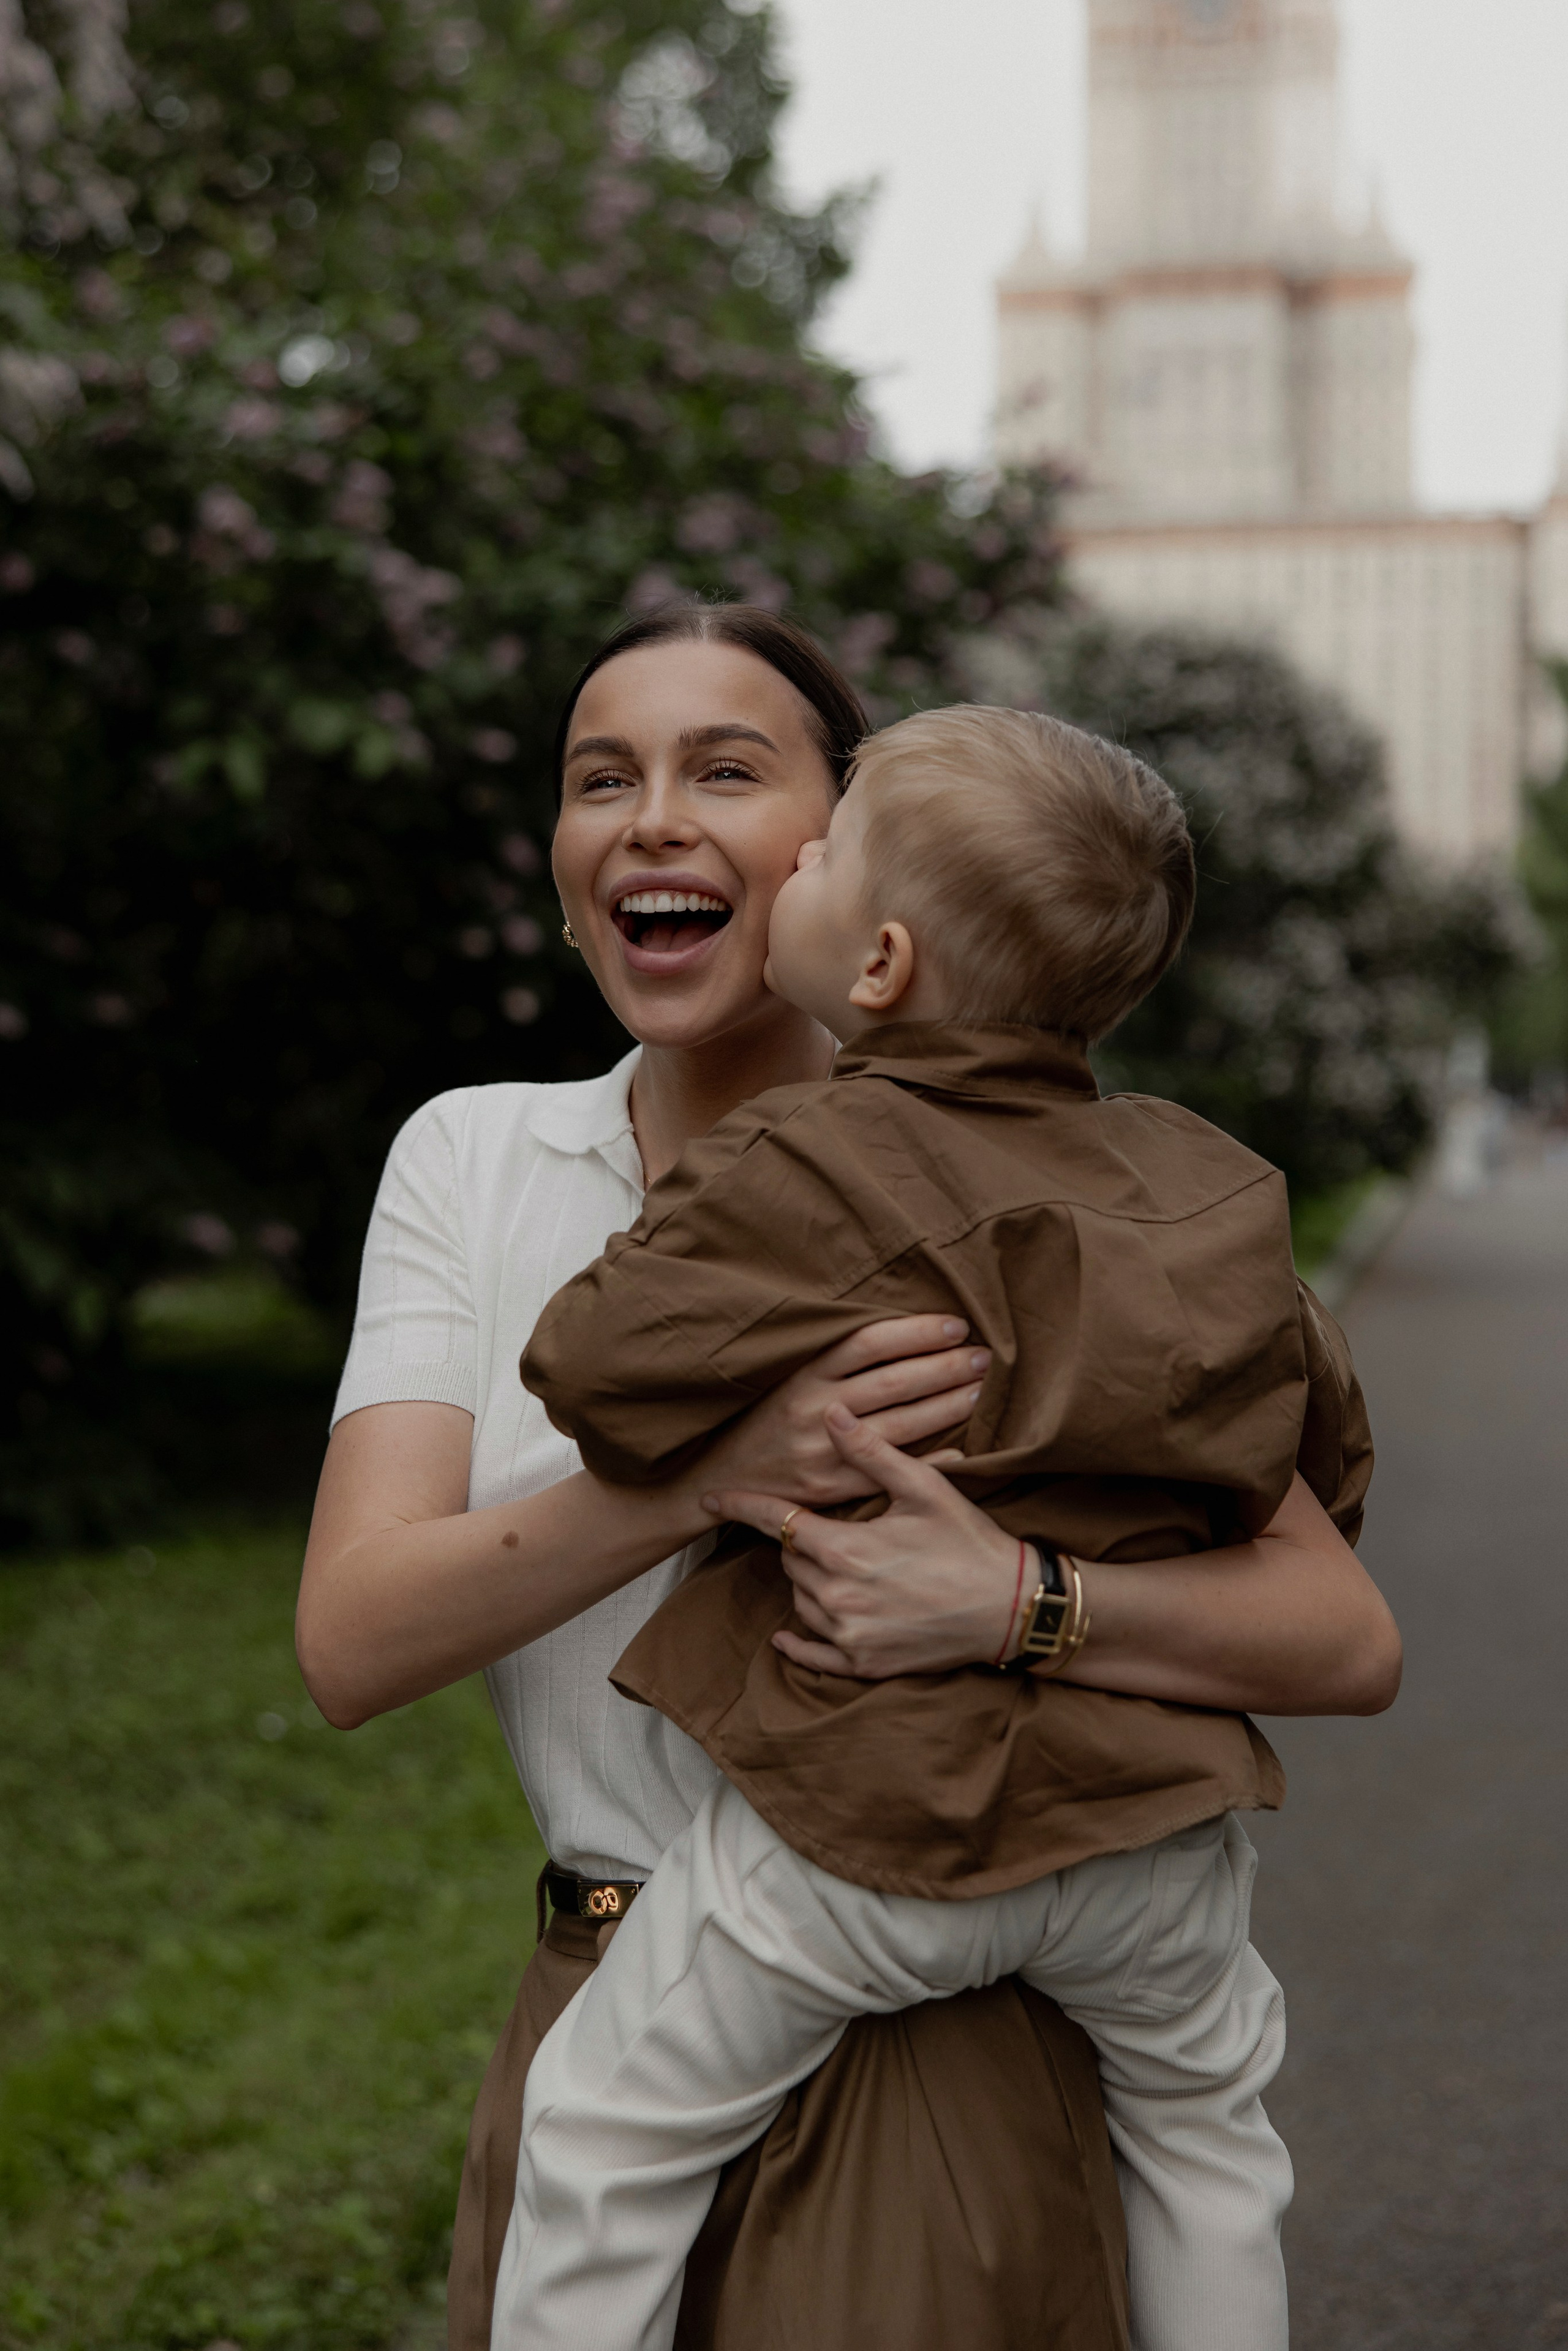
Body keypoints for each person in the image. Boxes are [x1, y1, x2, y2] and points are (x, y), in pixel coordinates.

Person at [295, 603, 1402, 2351]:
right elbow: (351, 1645)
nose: (651, 816)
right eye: (603, 777)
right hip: (605, 1982)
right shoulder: (477, 1155)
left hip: (933, 2055)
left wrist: (1017, 1603)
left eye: (723, 769)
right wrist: (712, 1476)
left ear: (839, 867)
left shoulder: (910, 1169)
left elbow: (1342, 1635)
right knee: (1216, 2132)